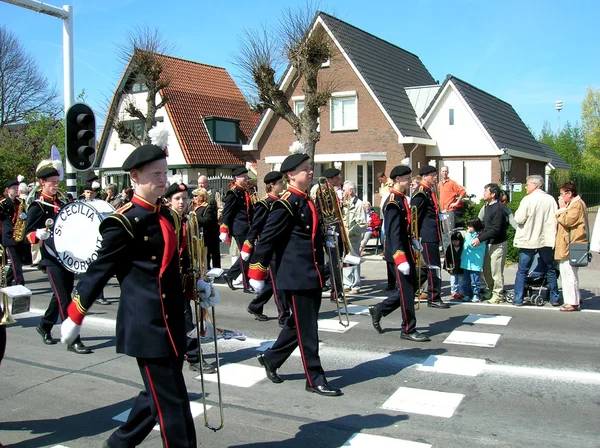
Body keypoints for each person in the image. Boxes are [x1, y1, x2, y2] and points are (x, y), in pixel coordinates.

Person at [60, 144, 219, 447]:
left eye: (165, 172)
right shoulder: (123, 223)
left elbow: (171, 270)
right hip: (146, 325)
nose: (163, 179)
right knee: (173, 404)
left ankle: (118, 444)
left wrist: (194, 287)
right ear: (135, 176)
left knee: (156, 394)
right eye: (156, 174)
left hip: (170, 323)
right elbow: (98, 271)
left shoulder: (170, 217)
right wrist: (75, 314)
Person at [249, 153, 342, 397]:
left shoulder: (306, 200)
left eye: (310, 168)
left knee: (297, 324)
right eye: (304, 169)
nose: (310, 172)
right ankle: (314, 378)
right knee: (308, 330)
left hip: (311, 273)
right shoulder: (286, 203)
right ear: (290, 175)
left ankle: (271, 358)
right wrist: (257, 272)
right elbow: (267, 238)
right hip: (297, 275)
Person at [24, 160, 91, 354]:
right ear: (41, 183)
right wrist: (38, 234)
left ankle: (45, 325)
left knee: (60, 294)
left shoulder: (61, 203)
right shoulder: (38, 206)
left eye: (56, 181)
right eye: (51, 182)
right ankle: (72, 339)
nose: (55, 185)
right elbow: (26, 235)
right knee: (64, 299)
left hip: (66, 257)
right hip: (51, 258)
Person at [368, 165, 430, 342]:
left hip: (406, 248)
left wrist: (413, 240)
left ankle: (380, 309)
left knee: (418, 279)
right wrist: (401, 259)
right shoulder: (393, 201)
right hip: (398, 253)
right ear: (396, 180)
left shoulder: (403, 199)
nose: (410, 180)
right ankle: (408, 329)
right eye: (406, 178)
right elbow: (393, 232)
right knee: (408, 291)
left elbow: (405, 229)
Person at [166, 181, 216, 374]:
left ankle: (194, 356)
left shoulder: (189, 221)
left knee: (188, 320)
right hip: (168, 279)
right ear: (168, 201)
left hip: (184, 278)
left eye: (185, 199)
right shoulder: (167, 221)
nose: (181, 202)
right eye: (177, 199)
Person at [241, 171, 289, 325]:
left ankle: (255, 306)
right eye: (280, 183)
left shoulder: (281, 201)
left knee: (274, 281)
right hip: (270, 248)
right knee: (279, 282)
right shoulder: (264, 204)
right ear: (272, 185)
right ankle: (284, 315)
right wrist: (247, 246)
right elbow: (255, 227)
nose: (283, 185)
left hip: (281, 246)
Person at [512, 175, 560, 307]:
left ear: (535, 185)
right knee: (550, 269)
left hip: (529, 239)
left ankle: (518, 298)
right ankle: (555, 297)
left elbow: (519, 219)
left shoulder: (528, 199)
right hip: (546, 239)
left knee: (523, 270)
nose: (526, 187)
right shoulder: (551, 199)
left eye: (527, 184)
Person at [411, 165, 449, 308]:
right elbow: (415, 216)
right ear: (425, 176)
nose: (435, 177)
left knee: (428, 268)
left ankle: (408, 289)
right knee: (433, 267)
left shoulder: (429, 191)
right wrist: (414, 236)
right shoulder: (421, 192)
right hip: (426, 235)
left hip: (433, 233)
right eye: (432, 175)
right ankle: (433, 297)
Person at [555, 181, 587, 312]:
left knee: (568, 274)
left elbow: (567, 220)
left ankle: (572, 302)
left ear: (569, 193)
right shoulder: (574, 204)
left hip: (570, 244)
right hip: (569, 243)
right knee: (569, 273)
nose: (561, 197)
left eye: (562, 194)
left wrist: (561, 209)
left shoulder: (576, 205)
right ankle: (574, 299)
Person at [472, 183, 508, 304]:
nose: (483, 193)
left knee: (496, 271)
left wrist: (480, 238)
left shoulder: (498, 209)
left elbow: (495, 229)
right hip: (488, 243)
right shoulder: (487, 207)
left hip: (498, 244)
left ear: (492, 194)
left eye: (485, 191)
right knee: (487, 269)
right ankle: (492, 290)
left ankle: (498, 294)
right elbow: (485, 224)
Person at [220, 166, 253, 291]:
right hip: (239, 228)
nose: (246, 178)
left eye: (246, 176)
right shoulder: (233, 193)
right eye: (243, 176)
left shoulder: (243, 191)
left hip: (246, 227)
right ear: (236, 178)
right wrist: (224, 229)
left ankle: (230, 275)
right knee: (246, 255)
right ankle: (246, 284)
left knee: (248, 255)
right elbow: (227, 213)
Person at [341, 180, 366, 294]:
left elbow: (362, 224)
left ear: (350, 191)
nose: (342, 191)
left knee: (354, 261)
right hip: (344, 237)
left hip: (353, 237)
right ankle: (347, 283)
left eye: (344, 190)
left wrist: (350, 232)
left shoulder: (359, 204)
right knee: (345, 261)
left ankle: (355, 286)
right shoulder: (344, 203)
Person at [0, 179, 25, 286]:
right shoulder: (3, 203)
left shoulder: (20, 202)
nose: (16, 190)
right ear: (7, 190)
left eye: (17, 188)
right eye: (13, 188)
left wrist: (24, 216)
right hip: (9, 236)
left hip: (18, 235)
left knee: (18, 260)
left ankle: (7, 281)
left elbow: (23, 214)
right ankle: (20, 283)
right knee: (16, 262)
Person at [197, 175, 221, 269]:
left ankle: (217, 269)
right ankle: (206, 269)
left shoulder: (214, 193)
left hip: (213, 226)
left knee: (214, 250)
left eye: (202, 183)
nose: (201, 185)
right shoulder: (197, 194)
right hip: (202, 228)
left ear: (207, 183)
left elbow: (220, 207)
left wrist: (218, 219)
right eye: (199, 183)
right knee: (204, 251)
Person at [461, 218, 486, 302]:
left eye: (470, 226)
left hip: (475, 262)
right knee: (466, 281)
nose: (468, 228)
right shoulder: (469, 234)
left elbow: (471, 245)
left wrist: (467, 235)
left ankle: (477, 295)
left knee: (475, 281)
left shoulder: (480, 236)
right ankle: (468, 294)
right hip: (466, 262)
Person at [438, 165, 466, 230]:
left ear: (448, 172)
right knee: (443, 231)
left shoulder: (452, 183)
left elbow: (463, 192)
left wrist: (456, 203)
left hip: (449, 211)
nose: (444, 173)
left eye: (446, 171)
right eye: (443, 171)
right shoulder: (440, 183)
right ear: (441, 172)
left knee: (449, 231)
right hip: (442, 211)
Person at [444, 231, 464, 300]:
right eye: (453, 241)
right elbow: (447, 257)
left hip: (461, 266)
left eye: (456, 241)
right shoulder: (450, 247)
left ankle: (461, 292)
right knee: (453, 280)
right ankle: (454, 291)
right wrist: (446, 266)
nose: (454, 242)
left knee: (461, 280)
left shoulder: (463, 247)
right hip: (452, 266)